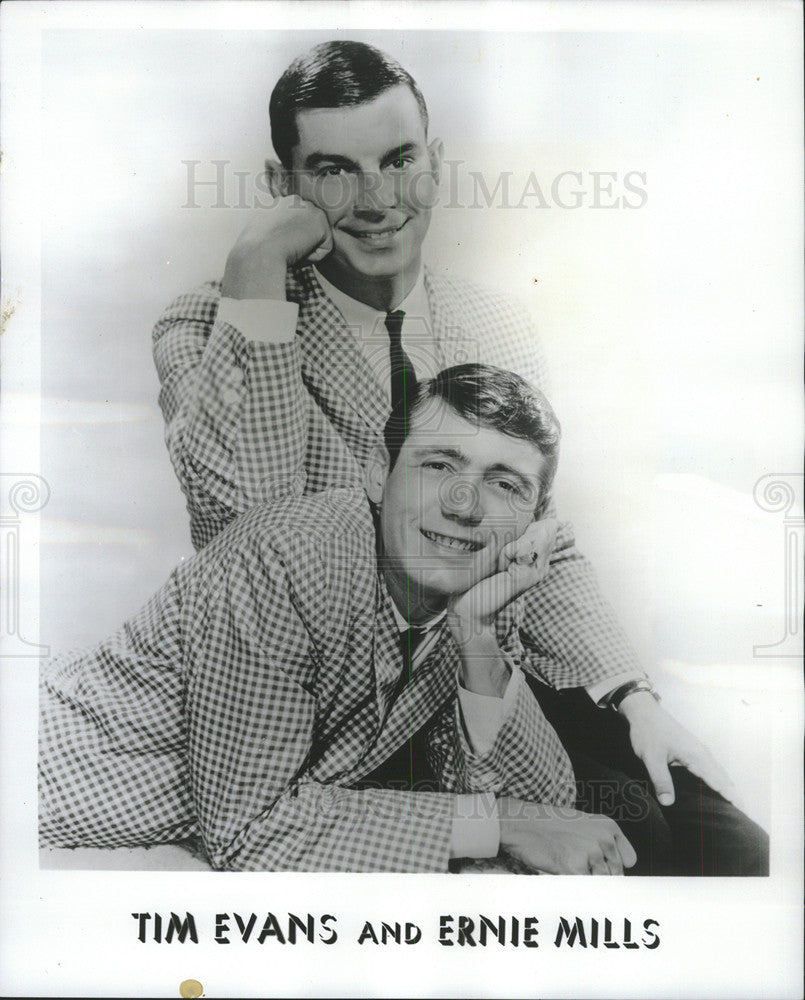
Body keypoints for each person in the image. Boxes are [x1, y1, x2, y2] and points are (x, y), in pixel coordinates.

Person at [152, 39, 718, 817]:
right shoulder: (212, 324)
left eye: (397, 159)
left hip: (491, 697)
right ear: (282, 186)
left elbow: (540, 535)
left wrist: (631, 695)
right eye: (333, 170)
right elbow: (245, 541)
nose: (378, 198)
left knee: (715, 843)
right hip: (335, 735)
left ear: (435, 161)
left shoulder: (495, 323)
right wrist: (255, 270)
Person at [40, 365, 767, 874]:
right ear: (374, 475)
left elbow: (548, 806)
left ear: (534, 522)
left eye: (503, 484)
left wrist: (478, 639)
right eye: (436, 465)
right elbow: (249, 831)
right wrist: (498, 827)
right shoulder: (286, 556)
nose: (464, 504)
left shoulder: (472, 589)